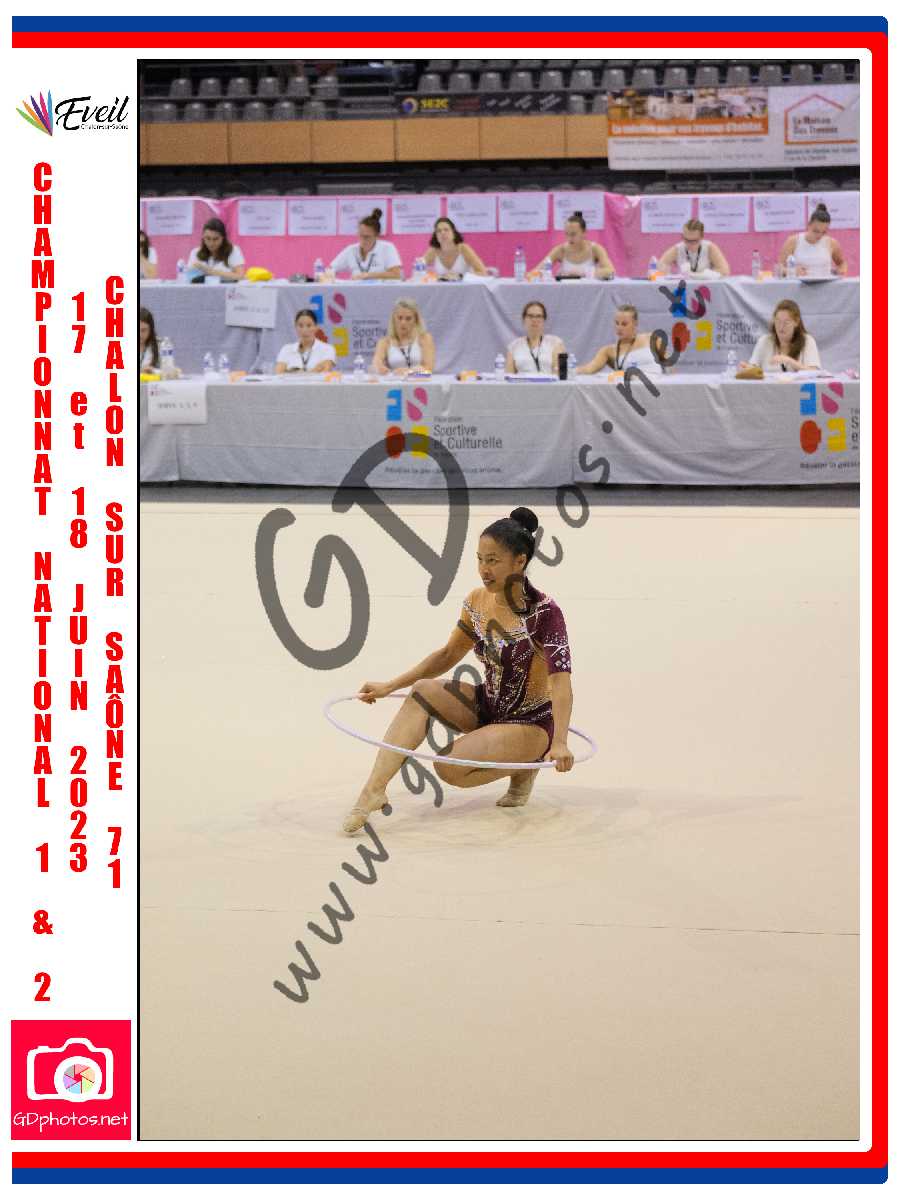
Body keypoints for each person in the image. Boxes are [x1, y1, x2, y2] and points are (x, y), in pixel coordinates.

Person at [341, 507, 574, 834]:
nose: (483, 570)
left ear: (519, 561)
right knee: (422, 690)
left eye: (493, 561)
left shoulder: (544, 613)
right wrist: (390, 686)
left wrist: (559, 742)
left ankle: (526, 764)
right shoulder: (477, 600)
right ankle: (373, 791)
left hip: (530, 722)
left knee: (448, 767)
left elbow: (560, 683)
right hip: (489, 705)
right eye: (479, 559)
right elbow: (448, 654)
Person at [576, 303, 662, 375]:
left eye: (624, 324)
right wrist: (570, 370)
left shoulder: (652, 338)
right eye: (617, 323)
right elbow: (588, 369)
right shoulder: (608, 351)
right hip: (632, 388)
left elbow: (668, 365)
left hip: (658, 386)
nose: (619, 328)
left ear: (635, 323)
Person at [741, 299, 822, 372]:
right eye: (778, 321)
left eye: (786, 322)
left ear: (796, 322)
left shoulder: (807, 340)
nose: (781, 327)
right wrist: (747, 369)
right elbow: (753, 367)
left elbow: (815, 372)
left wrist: (789, 361)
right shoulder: (764, 340)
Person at [536, 211, 615, 279]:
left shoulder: (595, 249)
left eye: (573, 234)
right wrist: (532, 275)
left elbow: (610, 271)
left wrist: (582, 272)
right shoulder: (560, 250)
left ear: (584, 233)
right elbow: (536, 271)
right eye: (566, 234)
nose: (569, 238)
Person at [330, 208, 403, 280]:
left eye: (366, 237)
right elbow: (331, 268)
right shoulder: (351, 250)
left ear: (377, 236)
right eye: (360, 235)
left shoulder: (387, 248)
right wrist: (328, 274)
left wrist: (368, 275)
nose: (362, 240)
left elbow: (396, 274)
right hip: (356, 287)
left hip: (380, 287)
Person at [779, 204, 848, 277]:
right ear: (808, 225)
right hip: (800, 283)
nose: (819, 235)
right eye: (816, 231)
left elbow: (842, 264)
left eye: (824, 232)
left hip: (826, 283)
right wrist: (792, 271)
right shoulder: (793, 241)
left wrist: (840, 271)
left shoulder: (832, 243)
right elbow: (780, 268)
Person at [371, 298, 436, 374]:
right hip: (395, 380)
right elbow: (376, 364)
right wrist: (381, 368)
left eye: (408, 319)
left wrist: (409, 372)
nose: (403, 322)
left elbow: (429, 369)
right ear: (394, 319)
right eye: (400, 318)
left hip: (419, 380)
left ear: (416, 320)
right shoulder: (385, 342)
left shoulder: (425, 338)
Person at [505, 301, 566, 375]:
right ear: (524, 319)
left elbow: (562, 374)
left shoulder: (556, 342)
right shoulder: (513, 346)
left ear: (544, 320)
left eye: (539, 316)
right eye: (530, 316)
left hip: (548, 382)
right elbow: (509, 375)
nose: (534, 320)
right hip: (521, 382)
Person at [658, 218, 730, 277]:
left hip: (706, 285)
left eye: (694, 241)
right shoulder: (677, 249)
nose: (690, 244)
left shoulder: (710, 248)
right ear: (683, 236)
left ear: (701, 237)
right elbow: (661, 266)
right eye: (686, 240)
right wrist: (667, 272)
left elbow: (725, 271)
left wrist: (700, 275)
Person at [275, 309, 338, 374]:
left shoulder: (327, 349)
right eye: (300, 326)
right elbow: (279, 373)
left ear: (316, 327)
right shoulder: (286, 349)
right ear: (295, 327)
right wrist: (314, 370)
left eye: (309, 325)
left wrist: (293, 372)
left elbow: (325, 370)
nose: (304, 330)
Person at [422, 216, 487, 278]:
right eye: (439, 231)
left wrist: (460, 276)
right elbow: (418, 270)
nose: (442, 233)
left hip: (465, 285)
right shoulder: (433, 250)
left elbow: (483, 272)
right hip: (441, 285)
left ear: (453, 233)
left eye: (446, 230)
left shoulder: (463, 248)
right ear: (436, 236)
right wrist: (431, 276)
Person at [139, 307, 179, 376]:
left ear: (151, 330)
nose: (140, 334)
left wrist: (154, 371)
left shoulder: (161, 345)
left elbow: (169, 372)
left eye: (144, 330)